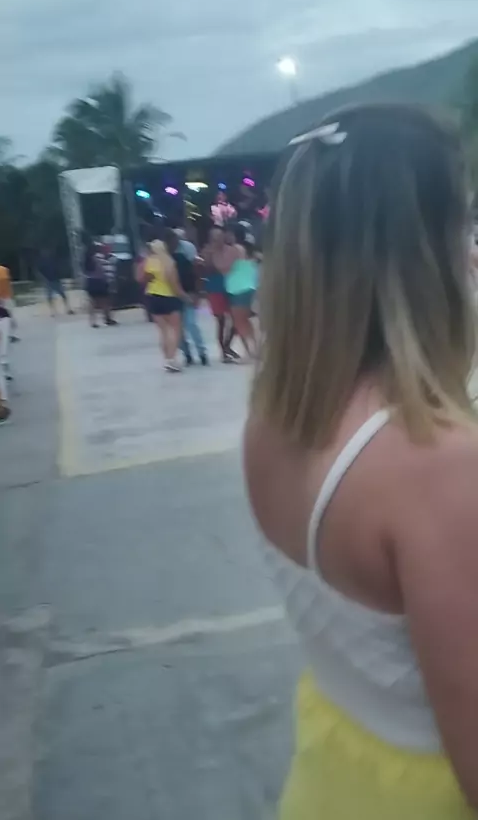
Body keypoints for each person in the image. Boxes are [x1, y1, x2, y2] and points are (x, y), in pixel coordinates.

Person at [244, 104, 478, 818]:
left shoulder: (273, 416)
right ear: (425, 252)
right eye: (463, 221)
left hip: (338, 772)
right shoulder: (437, 467)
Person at [143, 233, 189, 372]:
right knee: (175, 330)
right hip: (169, 298)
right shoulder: (169, 262)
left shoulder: (149, 261)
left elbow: (145, 278)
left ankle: (166, 359)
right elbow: (174, 284)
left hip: (153, 298)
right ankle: (172, 358)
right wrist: (184, 296)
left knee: (163, 331)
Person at [163, 228, 208, 366]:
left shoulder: (185, 253)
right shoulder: (163, 256)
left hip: (187, 291)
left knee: (190, 324)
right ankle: (187, 352)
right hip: (170, 294)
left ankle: (201, 352)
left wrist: (197, 292)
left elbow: (195, 272)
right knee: (178, 328)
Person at [221, 222, 258, 359]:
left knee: (239, 322)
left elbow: (225, 268)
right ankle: (254, 348)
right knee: (245, 321)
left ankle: (251, 351)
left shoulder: (234, 249)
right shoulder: (248, 249)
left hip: (237, 288)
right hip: (248, 287)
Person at [202, 226, 238, 363]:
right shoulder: (207, 252)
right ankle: (224, 351)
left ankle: (227, 345)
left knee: (237, 319)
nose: (218, 240)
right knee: (221, 321)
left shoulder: (231, 250)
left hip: (231, 287)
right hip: (215, 288)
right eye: (215, 238)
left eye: (220, 237)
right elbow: (206, 269)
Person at [82, 238, 117, 328]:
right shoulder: (98, 257)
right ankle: (107, 318)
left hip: (90, 281)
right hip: (100, 281)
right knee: (105, 301)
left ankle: (92, 321)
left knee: (92, 303)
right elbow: (104, 268)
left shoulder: (86, 259)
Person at [37, 248, 74, 316]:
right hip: (49, 281)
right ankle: (53, 311)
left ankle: (67, 309)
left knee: (62, 295)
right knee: (51, 297)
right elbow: (39, 272)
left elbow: (58, 269)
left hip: (55, 280)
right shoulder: (42, 262)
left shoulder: (52, 260)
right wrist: (43, 279)